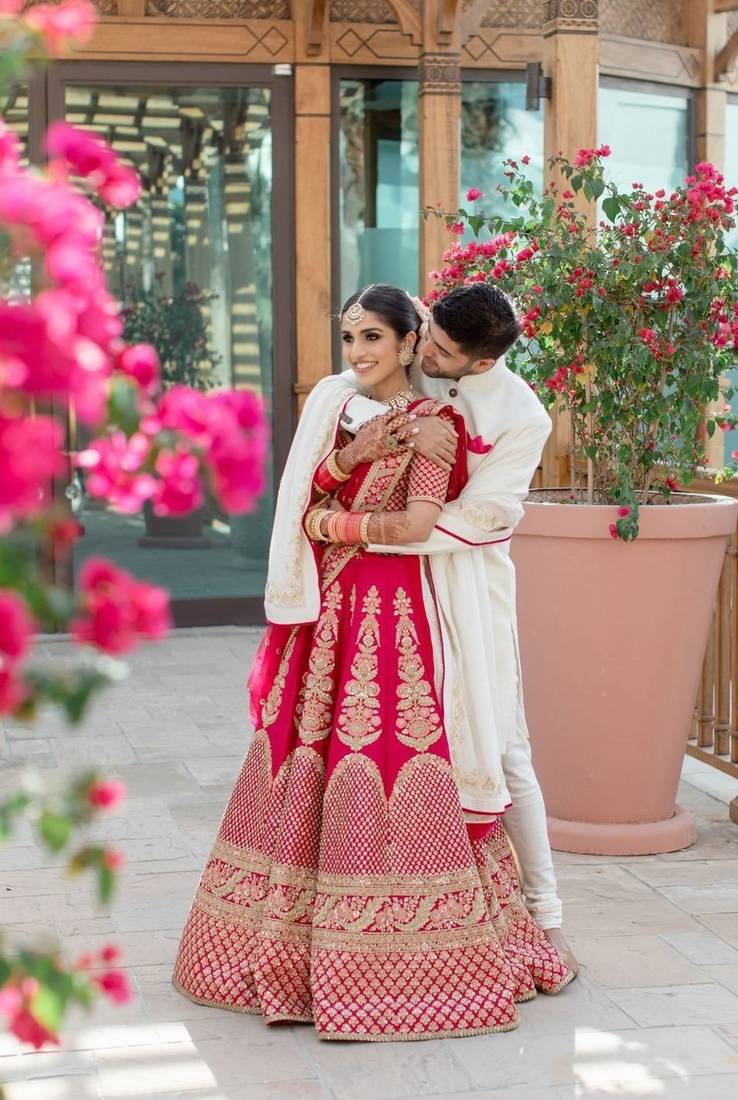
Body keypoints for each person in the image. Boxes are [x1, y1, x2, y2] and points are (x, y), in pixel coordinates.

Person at [173, 284, 573, 1043]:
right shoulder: (340, 402)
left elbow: (442, 522)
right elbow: (308, 489)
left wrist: (335, 524)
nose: (366, 353)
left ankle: (537, 922)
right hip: (335, 606)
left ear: (459, 355)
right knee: (311, 751)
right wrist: (346, 469)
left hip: (435, 595)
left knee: (486, 750)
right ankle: (291, 944)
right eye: (350, 337)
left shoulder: (479, 418)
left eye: (376, 339)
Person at [317, 281, 578, 976]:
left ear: (482, 363)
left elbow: (487, 516)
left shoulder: (524, 417)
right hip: (382, 597)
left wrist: (367, 533)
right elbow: (342, 423)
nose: (425, 352)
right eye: (426, 334)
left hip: (462, 583)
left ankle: (546, 916)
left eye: (442, 351)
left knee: (502, 744)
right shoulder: (389, 372)